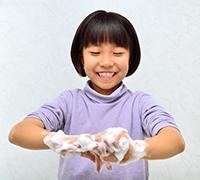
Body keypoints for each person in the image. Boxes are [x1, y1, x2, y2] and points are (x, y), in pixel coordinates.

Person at [8, 10, 185, 180]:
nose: (106, 62)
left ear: (131, 57)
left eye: (118, 53)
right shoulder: (69, 101)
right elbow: (19, 132)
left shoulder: (139, 103)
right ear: (81, 57)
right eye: (95, 53)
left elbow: (175, 141)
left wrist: (134, 150)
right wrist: (70, 142)